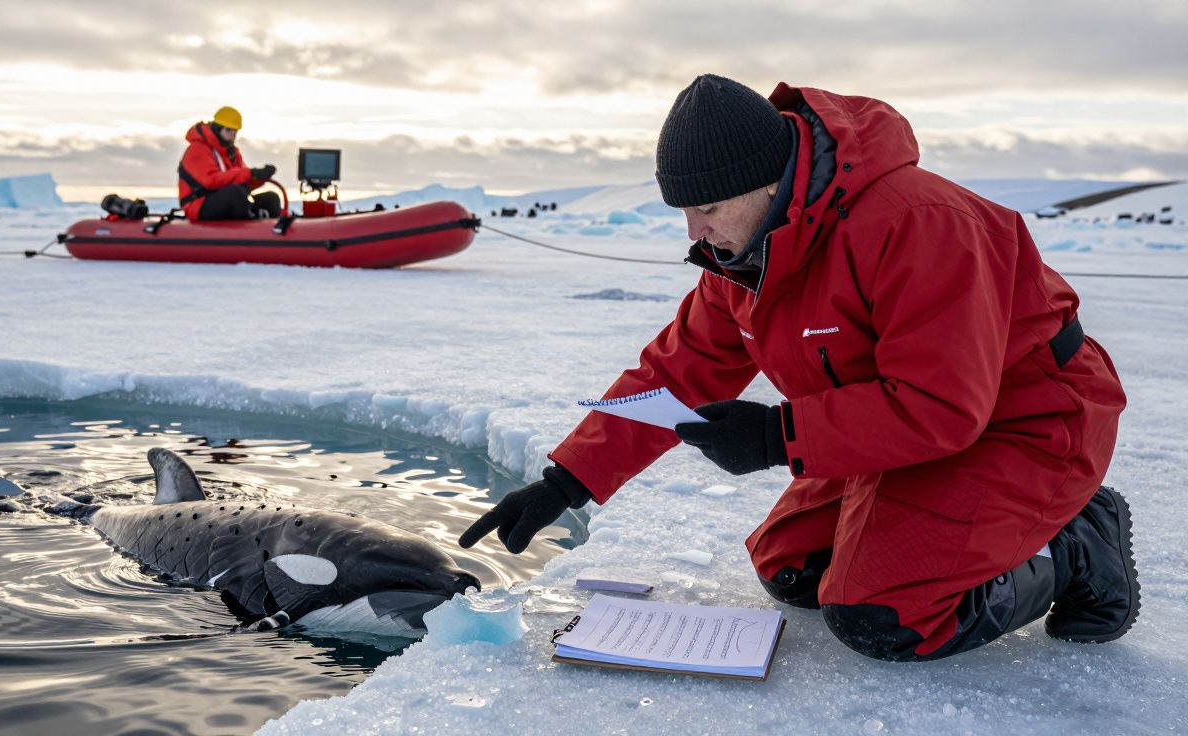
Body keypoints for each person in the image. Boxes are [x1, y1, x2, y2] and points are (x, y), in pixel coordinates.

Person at [460, 75, 1138, 662]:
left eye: (707, 209)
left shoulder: (917, 223)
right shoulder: (747, 258)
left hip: (1026, 422)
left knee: (884, 615)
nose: (694, 232)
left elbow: (941, 404)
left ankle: (1077, 543)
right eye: (685, 211)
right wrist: (564, 483)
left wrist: (774, 437)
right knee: (792, 568)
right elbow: (677, 373)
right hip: (905, 432)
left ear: (768, 182)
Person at [177, 106, 282, 221]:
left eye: (235, 131)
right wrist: (250, 173)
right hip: (199, 205)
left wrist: (259, 176)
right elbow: (210, 181)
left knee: (271, 199)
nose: (233, 134)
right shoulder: (197, 149)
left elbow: (242, 181)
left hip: (226, 199)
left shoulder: (232, 153)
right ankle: (246, 227)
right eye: (229, 130)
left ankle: (269, 228)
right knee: (236, 194)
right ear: (217, 128)